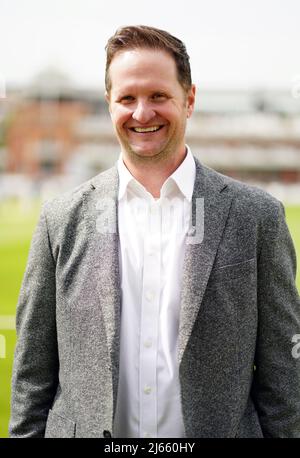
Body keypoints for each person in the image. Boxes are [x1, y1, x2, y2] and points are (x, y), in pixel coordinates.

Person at [9, 25, 300, 439]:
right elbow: (31, 375)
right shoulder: (61, 219)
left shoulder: (257, 217)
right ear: (110, 103)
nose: (142, 113)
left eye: (158, 96)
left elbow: (284, 378)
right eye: (127, 98)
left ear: (190, 100)